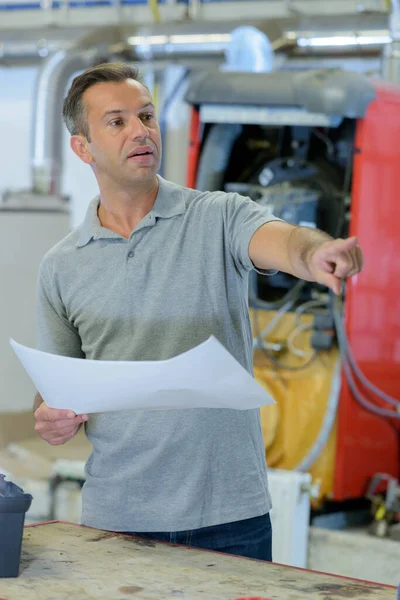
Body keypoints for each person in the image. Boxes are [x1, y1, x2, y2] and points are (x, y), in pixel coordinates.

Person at [33, 63, 363, 561]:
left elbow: (286, 241)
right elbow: (56, 385)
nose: (141, 131)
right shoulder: (62, 266)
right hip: (117, 521)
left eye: (146, 116)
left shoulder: (219, 215)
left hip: (229, 517)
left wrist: (315, 254)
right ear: (83, 148)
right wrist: (53, 417)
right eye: (117, 121)